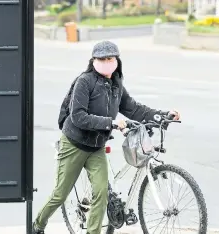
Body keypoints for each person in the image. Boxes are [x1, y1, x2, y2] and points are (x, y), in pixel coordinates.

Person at [32, 41, 180, 234]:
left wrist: (162, 115)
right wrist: (110, 123)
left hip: (96, 148)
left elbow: (133, 108)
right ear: (93, 61)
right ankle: (38, 225)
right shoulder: (84, 81)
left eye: (110, 58)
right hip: (74, 145)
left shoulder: (116, 84)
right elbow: (78, 116)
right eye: (101, 58)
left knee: (101, 194)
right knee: (60, 194)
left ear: (116, 60)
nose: (106, 62)